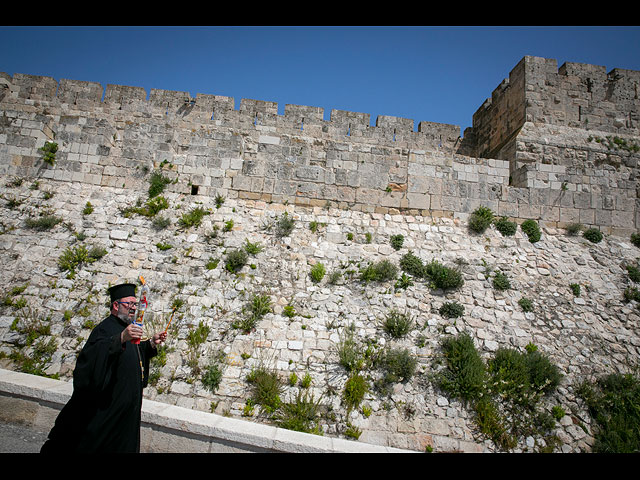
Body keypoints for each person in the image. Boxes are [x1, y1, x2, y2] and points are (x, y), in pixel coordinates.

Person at [40, 282, 167, 453]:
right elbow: (93, 360)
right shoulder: (104, 330)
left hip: (124, 417)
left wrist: (150, 343)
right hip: (105, 415)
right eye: (129, 304)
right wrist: (120, 338)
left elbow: (132, 354)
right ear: (115, 305)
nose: (133, 308)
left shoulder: (126, 329)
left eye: (135, 304)